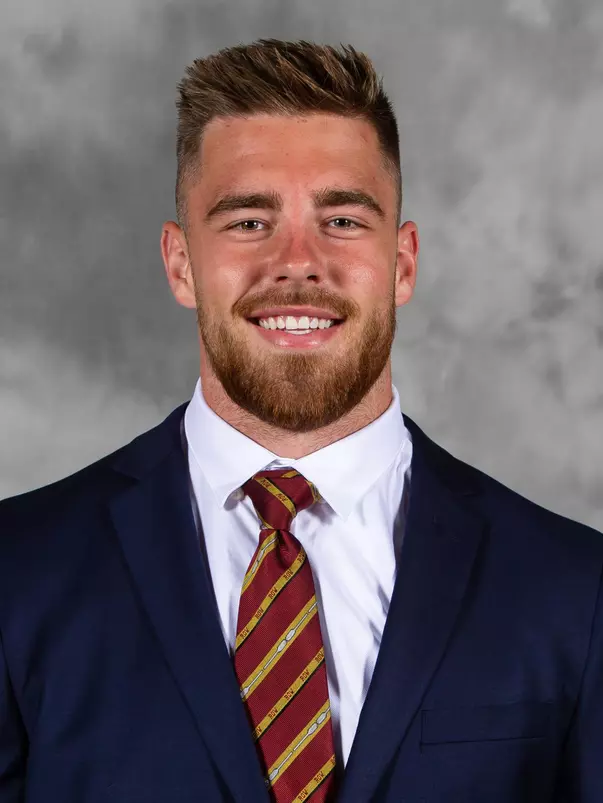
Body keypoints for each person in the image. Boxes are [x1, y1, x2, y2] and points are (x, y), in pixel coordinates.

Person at [0, 37, 601, 803]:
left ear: (403, 263)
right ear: (180, 264)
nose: (297, 261)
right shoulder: (17, 573)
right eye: (248, 222)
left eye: (343, 220)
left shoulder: (574, 593)